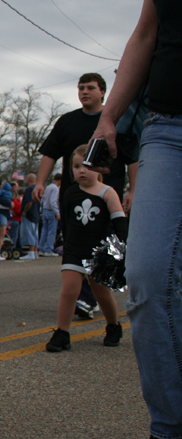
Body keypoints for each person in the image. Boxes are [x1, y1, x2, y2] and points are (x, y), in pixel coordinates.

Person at [89, 0, 182, 439]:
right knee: (146, 276)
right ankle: (169, 430)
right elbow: (145, 35)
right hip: (168, 128)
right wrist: (110, 118)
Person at [34, 73, 138, 320]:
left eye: (90, 87)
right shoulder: (67, 122)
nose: (84, 91)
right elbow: (50, 153)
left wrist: (133, 189)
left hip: (106, 196)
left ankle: (89, 298)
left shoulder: (116, 122)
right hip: (72, 197)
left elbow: (131, 158)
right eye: (80, 88)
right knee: (72, 245)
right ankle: (84, 295)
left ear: (103, 92)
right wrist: (40, 182)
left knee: (101, 248)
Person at [45, 145, 126, 352]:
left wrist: (122, 248)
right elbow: (66, 221)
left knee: (102, 293)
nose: (81, 170)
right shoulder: (70, 192)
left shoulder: (108, 192)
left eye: (87, 166)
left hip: (99, 253)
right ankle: (62, 332)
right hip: (73, 249)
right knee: (70, 290)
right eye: (76, 166)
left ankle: (113, 326)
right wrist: (63, 243)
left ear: (99, 168)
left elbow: (120, 223)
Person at [39, 174, 62, 256]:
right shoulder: (55, 188)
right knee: (52, 232)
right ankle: (48, 250)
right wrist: (57, 212)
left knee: (44, 231)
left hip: (45, 210)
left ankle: (41, 248)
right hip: (51, 211)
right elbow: (53, 201)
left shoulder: (48, 187)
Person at [19, 173, 40, 260]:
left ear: (28, 179)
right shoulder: (37, 189)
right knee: (35, 233)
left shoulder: (29, 189)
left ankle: (31, 252)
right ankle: (35, 252)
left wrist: (24, 211)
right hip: (36, 213)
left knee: (29, 233)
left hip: (29, 214)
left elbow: (29, 202)